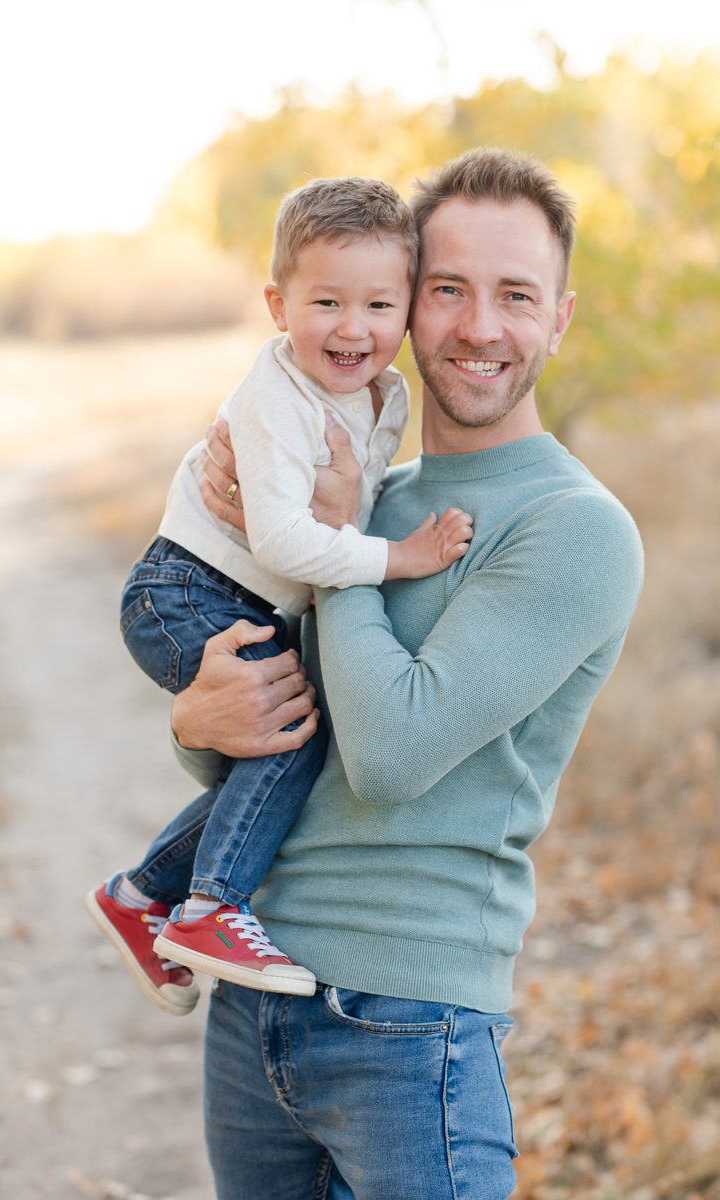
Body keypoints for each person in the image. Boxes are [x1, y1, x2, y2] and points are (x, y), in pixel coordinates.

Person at [169, 148, 645, 1200]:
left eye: (516, 294)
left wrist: (332, 555)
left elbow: (388, 754)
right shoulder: (359, 499)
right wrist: (196, 723)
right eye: (449, 290)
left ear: (559, 319)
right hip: (254, 1004)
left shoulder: (575, 530)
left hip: (406, 1025)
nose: (481, 326)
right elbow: (264, 759)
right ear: (407, 309)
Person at [86, 176, 473, 1015]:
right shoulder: (275, 399)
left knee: (284, 756)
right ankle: (209, 909)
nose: (352, 327)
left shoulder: (382, 394)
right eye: (325, 301)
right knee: (289, 740)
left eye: (378, 305)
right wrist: (397, 558)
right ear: (277, 303)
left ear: (406, 309)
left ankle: (139, 894)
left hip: (242, 599)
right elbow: (286, 542)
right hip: (187, 590)